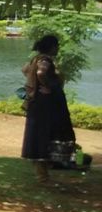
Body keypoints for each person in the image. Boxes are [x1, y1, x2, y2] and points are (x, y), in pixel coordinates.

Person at [21, 34, 76, 186]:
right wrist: (47, 86)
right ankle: (43, 178)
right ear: (52, 47)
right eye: (57, 46)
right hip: (46, 105)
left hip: (41, 104)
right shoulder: (44, 60)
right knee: (46, 134)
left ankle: (44, 175)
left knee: (42, 135)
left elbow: (25, 70)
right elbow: (40, 72)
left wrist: (35, 85)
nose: (58, 49)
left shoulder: (36, 58)